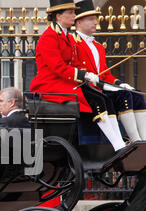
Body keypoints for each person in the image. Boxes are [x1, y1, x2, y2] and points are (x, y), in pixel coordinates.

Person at [30, 0, 126, 152]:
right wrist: (84, 75)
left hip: (64, 81)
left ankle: (119, 141)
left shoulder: (65, 34)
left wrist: (87, 75)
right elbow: (57, 67)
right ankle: (117, 145)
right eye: (71, 12)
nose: (74, 15)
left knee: (105, 98)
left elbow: (72, 63)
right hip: (50, 83)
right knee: (96, 99)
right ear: (58, 15)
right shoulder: (49, 36)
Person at [74, 0, 146, 142]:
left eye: (96, 19)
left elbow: (105, 74)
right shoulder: (73, 42)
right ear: (78, 23)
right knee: (123, 96)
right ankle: (135, 140)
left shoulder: (98, 46)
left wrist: (119, 82)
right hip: (87, 88)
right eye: (90, 19)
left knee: (136, 95)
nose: (95, 22)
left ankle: (144, 139)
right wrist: (87, 76)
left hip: (100, 85)